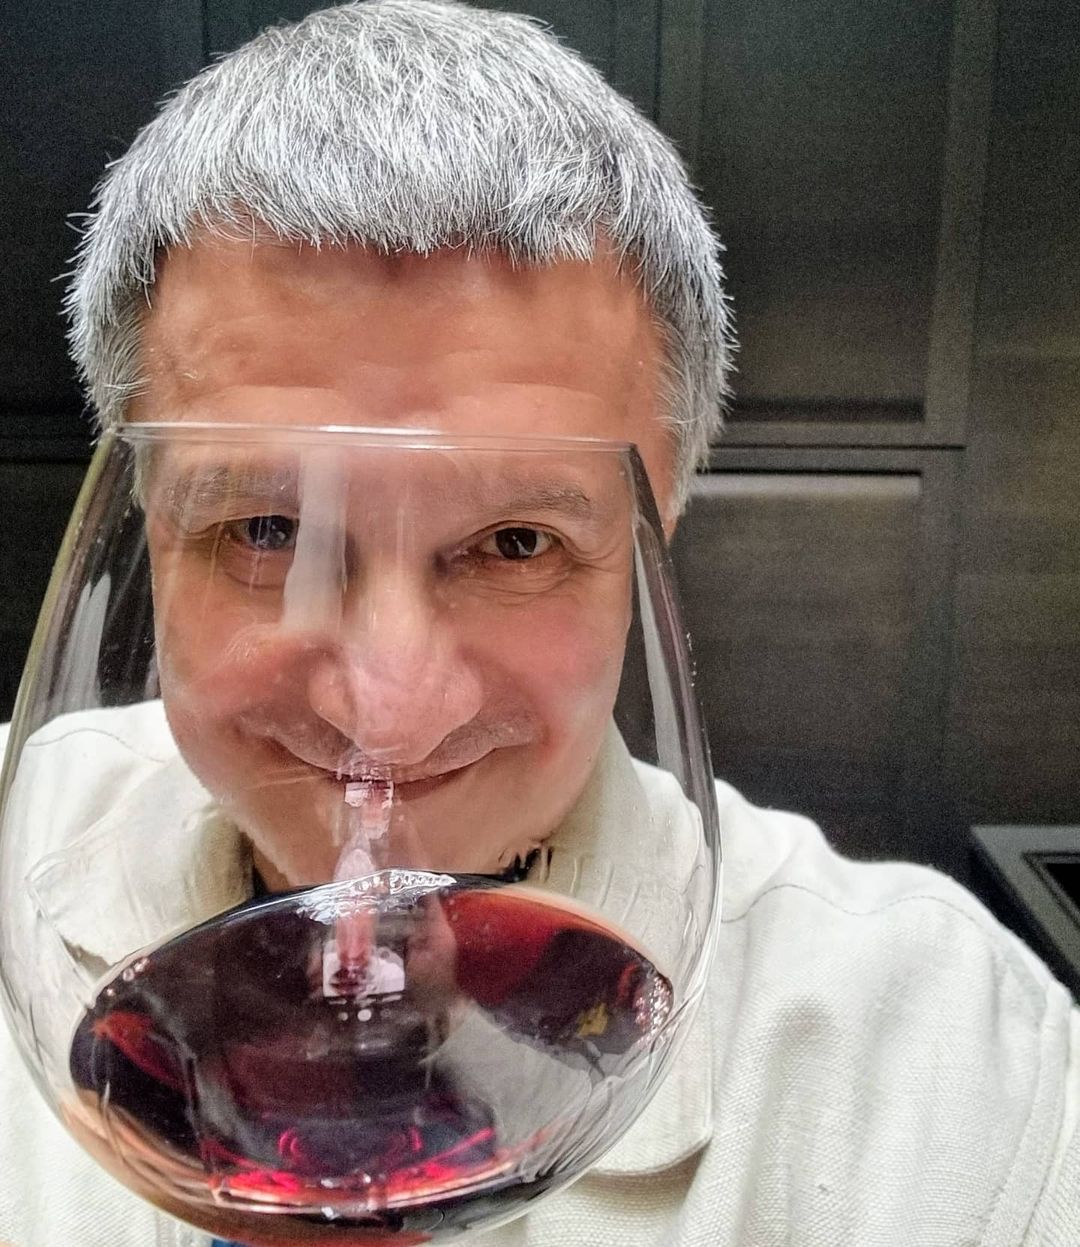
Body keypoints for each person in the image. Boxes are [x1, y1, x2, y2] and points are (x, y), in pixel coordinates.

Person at [0, 2, 1077, 1244]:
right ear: (140, 515)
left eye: (517, 542)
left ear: (658, 533)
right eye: (266, 529)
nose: (386, 709)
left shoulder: (962, 1083)